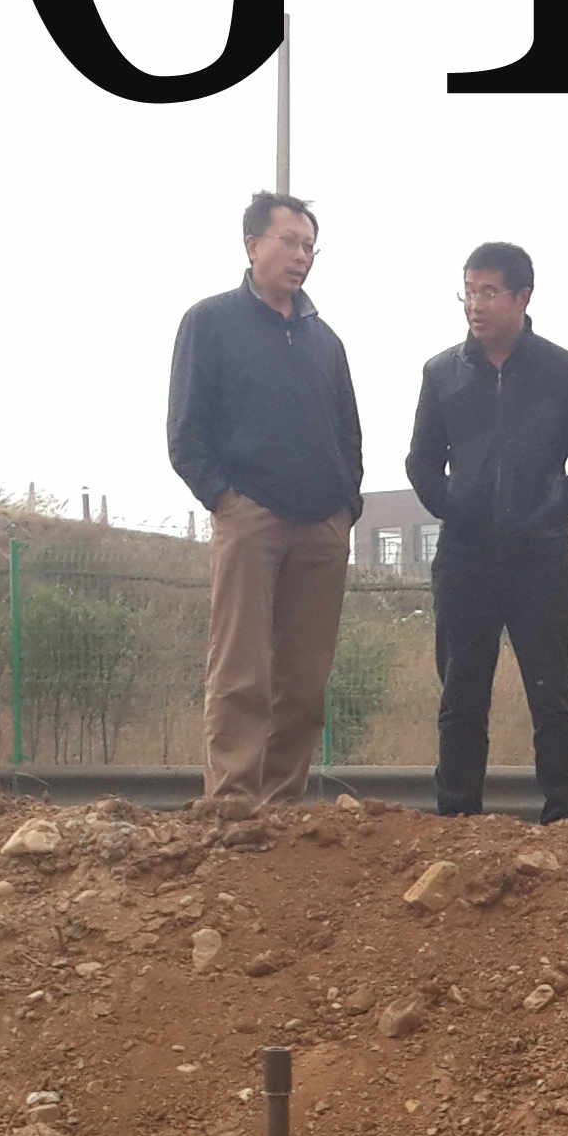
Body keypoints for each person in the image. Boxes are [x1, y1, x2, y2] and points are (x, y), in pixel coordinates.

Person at [167, 191, 363, 808]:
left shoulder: (324, 340)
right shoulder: (210, 322)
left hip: (321, 527)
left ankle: (282, 807)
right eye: (289, 242)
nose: (301, 256)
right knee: (242, 670)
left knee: (304, 680)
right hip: (250, 517)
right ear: (253, 245)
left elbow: (349, 431)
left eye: (309, 245)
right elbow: (185, 430)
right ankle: (231, 802)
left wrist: (345, 507)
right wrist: (225, 499)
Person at [406, 242, 568, 823]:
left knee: (552, 695)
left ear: (523, 297)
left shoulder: (564, 372)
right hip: (465, 559)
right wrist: (455, 508)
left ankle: (564, 819)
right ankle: (456, 817)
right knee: (461, 697)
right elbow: (421, 462)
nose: (476, 304)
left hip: (539, 560)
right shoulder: (442, 373)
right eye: (469, 291)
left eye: (489, 291)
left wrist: (546, 514)